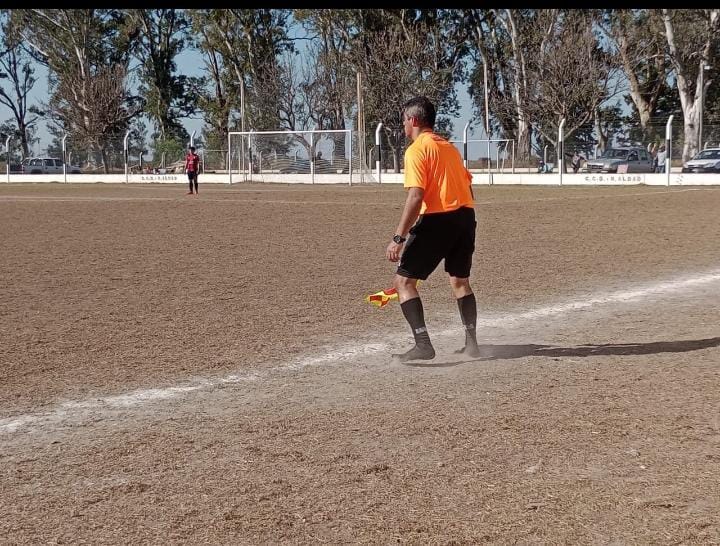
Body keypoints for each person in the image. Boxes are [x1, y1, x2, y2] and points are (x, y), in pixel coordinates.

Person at [385, 96, 480, 362]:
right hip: (466, 216)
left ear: (413, 120)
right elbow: (467, 184)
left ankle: (423, 344)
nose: (403, 125)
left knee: (403, 282)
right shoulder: (448, 147)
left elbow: (416, 196)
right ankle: (472, 344)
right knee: (460, 281)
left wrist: (398, 238)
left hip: (438, 219)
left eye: (403, 120)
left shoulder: (417, 149)